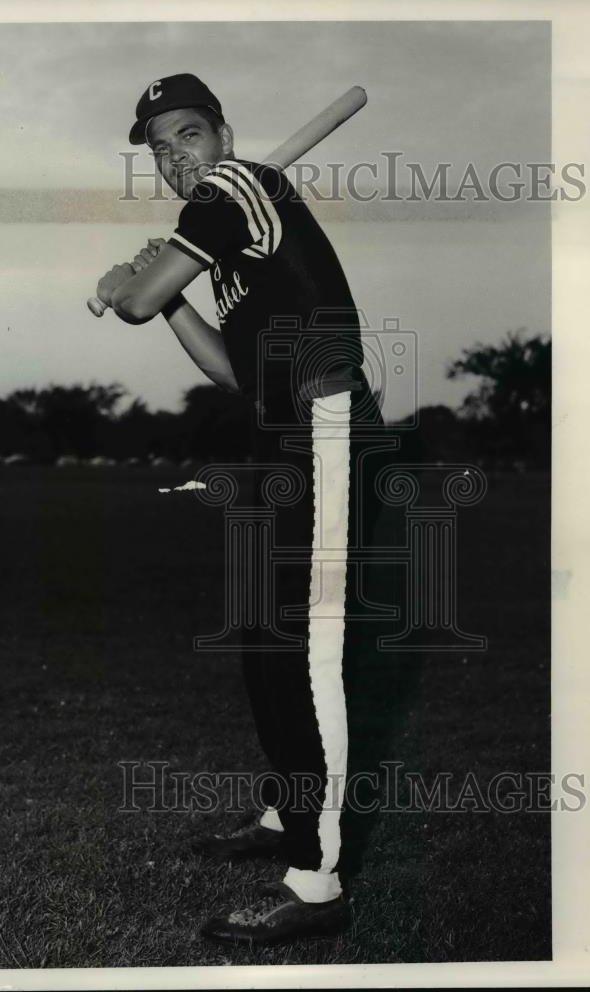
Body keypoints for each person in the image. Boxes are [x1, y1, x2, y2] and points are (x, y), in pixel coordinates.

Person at [92, 73, 385, 945]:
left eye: (188, 134)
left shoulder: (237, 189)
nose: (176, 157)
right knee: (264, 642)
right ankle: (280, 820)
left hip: (326, 428)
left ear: (222, 134)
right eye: (159, 148)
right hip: (276, 432)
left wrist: (128, 286)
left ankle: (319, 884)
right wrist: (175, 288)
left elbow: (136, 302)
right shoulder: (229, 231)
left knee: (305, 656)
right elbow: (225, 368)